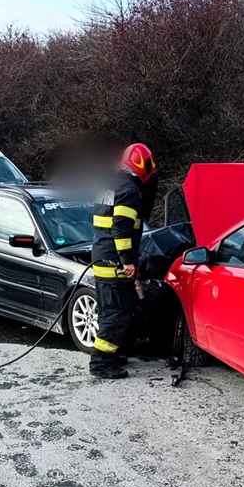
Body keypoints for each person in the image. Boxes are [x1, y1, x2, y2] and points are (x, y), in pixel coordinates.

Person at [89, 143, 158, 379]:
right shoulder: (129, 191)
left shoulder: (109, 185)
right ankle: (101, 364)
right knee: (116, 315)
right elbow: (121, 228)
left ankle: (112, 355)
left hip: (102, 257)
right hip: (115, 263)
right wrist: (128, 260)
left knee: (109, 312)